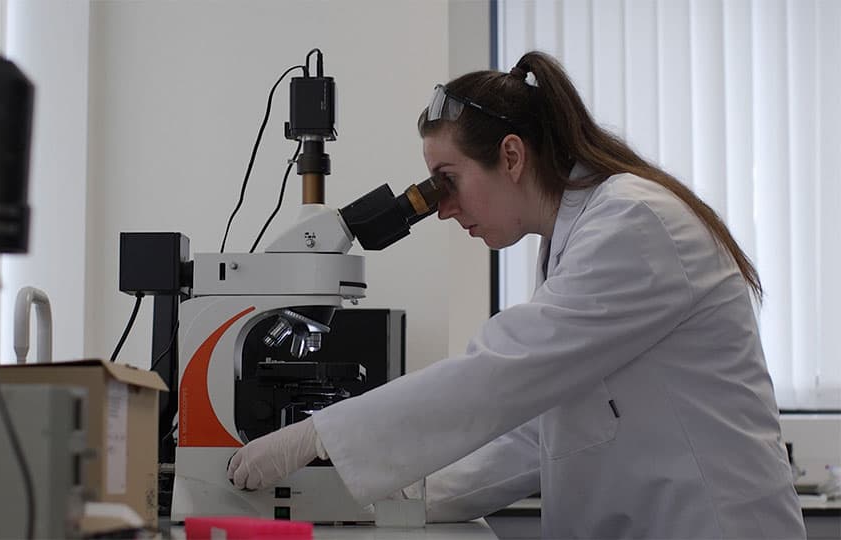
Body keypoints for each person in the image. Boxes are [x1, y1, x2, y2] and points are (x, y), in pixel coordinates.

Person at [227, 51, 805, 539]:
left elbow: (499, 374)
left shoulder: (635, 222)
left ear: (510, 155)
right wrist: (384, 499)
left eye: (447, 181)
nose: (442, 208)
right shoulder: (571, 242)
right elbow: (540, 433)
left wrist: (320, 436)